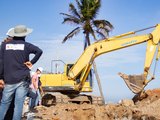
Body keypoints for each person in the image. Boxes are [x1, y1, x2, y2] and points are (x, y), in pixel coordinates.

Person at [0, 25, 43, 120]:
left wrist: (1, 77)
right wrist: (32, 62)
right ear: (24, 35)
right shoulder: (26, 45)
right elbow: (39, 51)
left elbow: (1, 62)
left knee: (4, 104)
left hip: (9, 80)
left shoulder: (4, 46)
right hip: (22, 79)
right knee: (18, 106)